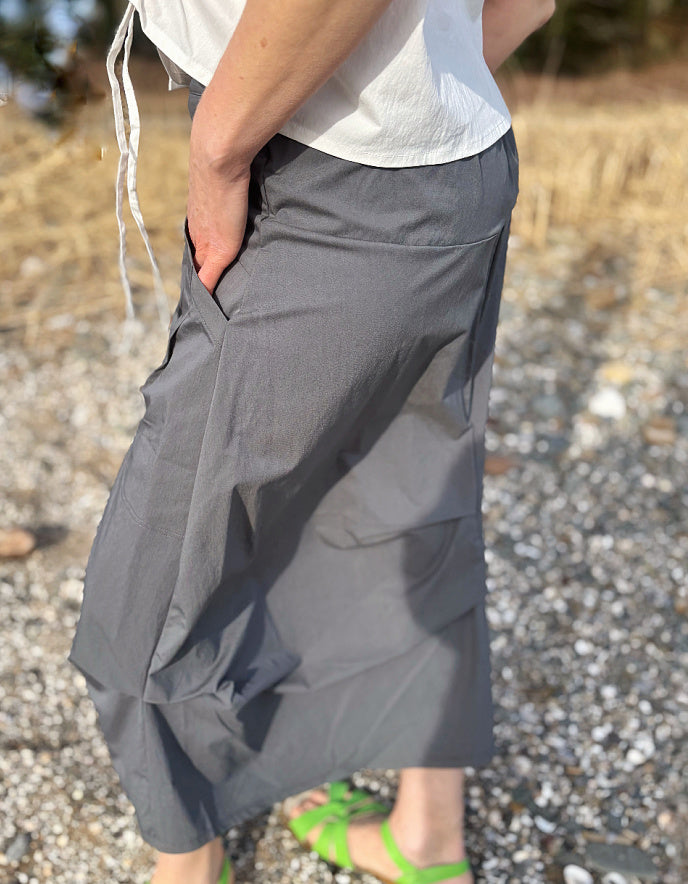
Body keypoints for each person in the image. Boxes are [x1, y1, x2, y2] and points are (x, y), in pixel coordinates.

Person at [68, 1, 555, 883]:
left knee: (160, 563)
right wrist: (420, 81)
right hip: (447, 160)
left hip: (309, 157)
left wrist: (222, 147)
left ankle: (187, 861)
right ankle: (428, 838)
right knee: (403, 496)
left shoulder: (264, 137)